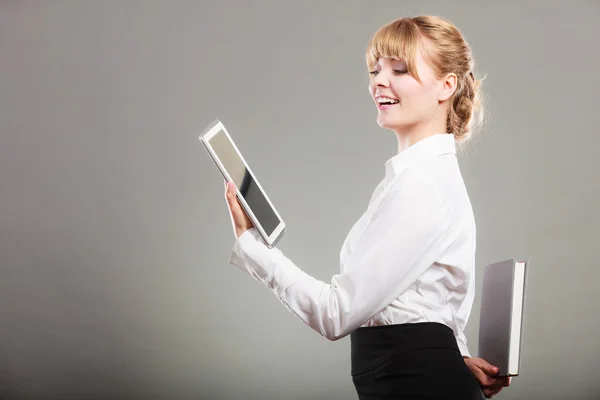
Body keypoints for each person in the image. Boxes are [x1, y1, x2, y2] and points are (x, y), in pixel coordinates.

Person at [223, 15, 510, 399]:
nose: (378, 80)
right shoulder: (414, 180)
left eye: (400, 69)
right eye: (375, 69)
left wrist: (251, 246)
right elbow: (439, 304)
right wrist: (456, 354)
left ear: (447, 85)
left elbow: (335, 313)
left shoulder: (423, 186)